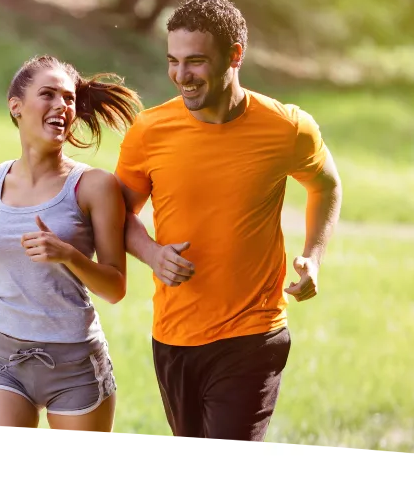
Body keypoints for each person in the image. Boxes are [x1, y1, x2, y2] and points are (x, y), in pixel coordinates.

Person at [114, 0, 343, 441]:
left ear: (234, 55)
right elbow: (118, 214)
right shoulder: (149, 131)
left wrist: (313, 256)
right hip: (175, 334)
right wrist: (152, 253)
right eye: (173, 62)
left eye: (196, 61)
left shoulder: (287, 128)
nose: (182, 76)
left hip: (253, 333)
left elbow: (326, 185)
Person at [0, 55, 141, 431]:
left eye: (69, 98)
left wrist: (68, 255)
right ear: (16, 107)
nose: (62, 106)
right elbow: (3, 243)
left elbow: (116, 288)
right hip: (3, 356)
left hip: (74, 364)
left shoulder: (94, 187)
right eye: (48, 94)